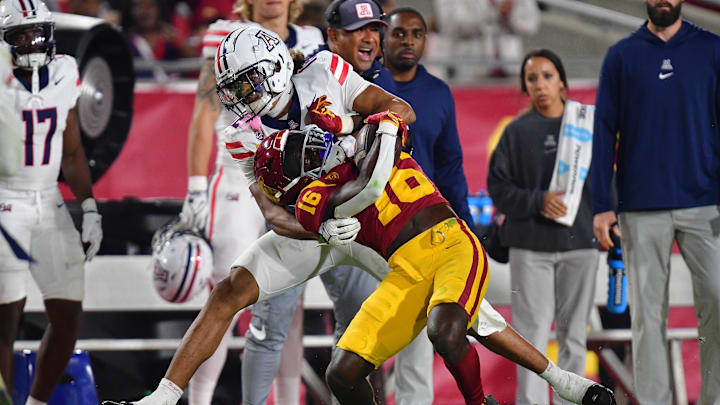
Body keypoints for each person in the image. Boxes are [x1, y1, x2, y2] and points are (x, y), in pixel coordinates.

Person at [103, 27, 615, 405]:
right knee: (231, 290)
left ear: (274, 68)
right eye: (232, 88)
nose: (238, 98)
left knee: (465, 318)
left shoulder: (324, 72)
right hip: (315, 223)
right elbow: (270, 210)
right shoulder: (240, 132)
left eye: (243, 84)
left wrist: (352, 132)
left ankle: (560, 381)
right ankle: (164, 398)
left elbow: (399, 110)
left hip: (372, 213)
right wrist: (320, 225)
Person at [177, 0, 323, 404]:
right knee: (224, 290)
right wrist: (194, 187)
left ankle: (289, 400)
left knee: (290, 302)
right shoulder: (222, 33)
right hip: (238, 171)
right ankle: (199, 398)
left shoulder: (311, 40)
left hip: (291, 174)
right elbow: (204, 115)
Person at [591, 1, 720, 403]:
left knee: (717, 301)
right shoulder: (622, 55)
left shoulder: (712, 50)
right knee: (648, 317)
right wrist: (601, 204)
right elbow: (602, 131)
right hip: (640, 206)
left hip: (706, 202)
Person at [0, 2, 103, 405]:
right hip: (5, 202)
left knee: (68, 315)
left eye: (38, 32)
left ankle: (36, 403)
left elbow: (72, 152)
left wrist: (90, 208)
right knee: (7, 316)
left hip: (48, 199)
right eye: (21, 35)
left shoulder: (65, 70)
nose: (33, 42)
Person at [487, 49, 599, 405]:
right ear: (525, 87)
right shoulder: (515, 132)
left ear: (562, 82)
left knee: (574, 337)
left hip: (580, 244)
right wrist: (538, 200)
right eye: (532, 79)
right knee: (531, 339)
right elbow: (498, 189)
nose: (540, 85)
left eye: (547, 76)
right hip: (530, 247)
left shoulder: (587, 126)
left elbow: (607, 185)